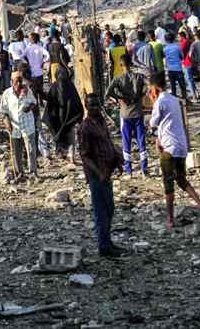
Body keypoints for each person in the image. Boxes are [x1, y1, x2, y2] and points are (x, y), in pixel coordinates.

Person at [147, 72, 200, 229]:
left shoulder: (159, 102)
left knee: (168, 183)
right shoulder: (175, 100)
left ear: (154, 88)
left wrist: (153, 102)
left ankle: (169, 219)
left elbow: (152, 123)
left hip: (169, 148)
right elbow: (168, 123)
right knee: (180, 179)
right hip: (180, 146)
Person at [77, 93, 125, 258]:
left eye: (97, 105)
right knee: (101, 211)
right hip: (97, 175)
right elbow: (84, 155)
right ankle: (103, 246)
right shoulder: (85, 128)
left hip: (107, 171)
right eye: (91, 105)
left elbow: (108, 143)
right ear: (86, 106)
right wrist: (99, 173)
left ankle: (107, 242)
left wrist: (117, 160)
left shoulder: (101, 121)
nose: (95, 108)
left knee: (109, 209)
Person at [106, 52, 149, 176]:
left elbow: (108, 93)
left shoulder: (118, 79)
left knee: (126, 141)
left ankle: (129, 170)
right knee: (141, 139)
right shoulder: (139, 77)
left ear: (121, 64)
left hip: (125, 114)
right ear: (131, 63)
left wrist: (119, 98)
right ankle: (144, 168)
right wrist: (141, 94)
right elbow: (149, 85)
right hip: (138, 112)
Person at [0, 71, 38, 179]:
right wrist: (6, 122)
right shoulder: (7, 94)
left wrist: (29, 107)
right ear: (12, 82)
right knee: (16, 151)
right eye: (17, 81)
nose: (19, 83)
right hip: (14, 126)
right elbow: (3, 111)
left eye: (20, 80)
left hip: (27, 125)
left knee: (31, 149)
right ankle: (19, 172)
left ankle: (33, 172)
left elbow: (34, 103)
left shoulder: (27, 91)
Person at [23, 32, 49, 103]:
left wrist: (27, 63)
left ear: (31, 39)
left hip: (32, 72)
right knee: (40, 88)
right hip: (40, 71)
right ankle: (41, 102)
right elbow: (48, 55)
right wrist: (43, 62)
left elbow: (21, 57)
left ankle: (35, 104)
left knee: (33, 90)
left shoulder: (28, 48)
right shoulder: (40, 48)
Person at [162, 32, 188, 101]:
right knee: (182, 86)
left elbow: (164, 57)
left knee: (173, 87)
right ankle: (185, 100)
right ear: (173, 39)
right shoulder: (177, 47)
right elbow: (182, 57)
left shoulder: (165, 49)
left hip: (170, 70)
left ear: (166, 40)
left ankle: (174, 102)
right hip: (178, 69)